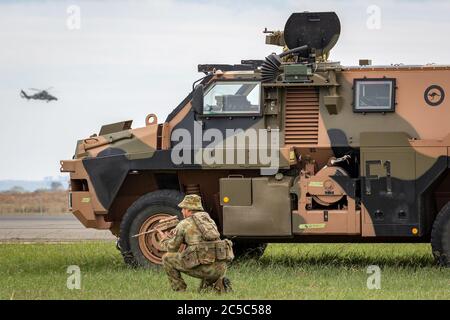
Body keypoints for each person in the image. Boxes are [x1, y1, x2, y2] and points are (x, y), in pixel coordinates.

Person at [159, 194, 234, 293]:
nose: (182, 211)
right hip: (220, 269)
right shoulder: (210, 221)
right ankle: (217, 285)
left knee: (167, 258)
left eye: (183, 208)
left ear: (189, 209)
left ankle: (179, 290)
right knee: (203, 290)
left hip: (205, 268)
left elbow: (172, 248)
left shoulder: (184, 224)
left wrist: (164, 239)